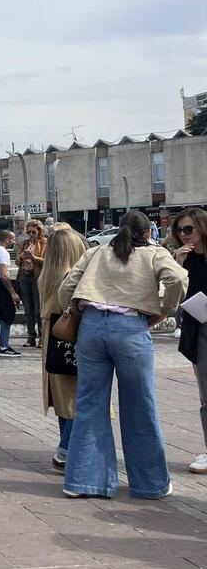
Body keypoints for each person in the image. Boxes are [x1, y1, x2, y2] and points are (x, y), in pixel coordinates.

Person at [59, 211, 187, 499]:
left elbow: (67, 286)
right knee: (139, 405)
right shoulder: (154, 254)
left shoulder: (96, 251)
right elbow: (178, 278)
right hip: (130, 328)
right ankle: (150, 484)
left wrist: (74, 309)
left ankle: (82, 481)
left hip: (91, 327)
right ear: (147, 233)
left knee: (90, 403)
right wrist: (165, 309)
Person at [38, 227, 88, 472]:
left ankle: (65, 446)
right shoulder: (72, 278)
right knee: (77, 399)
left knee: (62, 398)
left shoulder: (47, 277)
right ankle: (66, 450)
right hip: (71, 340)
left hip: (53, 341)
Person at [173, 208, 207, 473]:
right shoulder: (186, 260)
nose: (183, 236)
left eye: (188, 229)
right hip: (200, 330)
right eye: (179, 231)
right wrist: (178, 268)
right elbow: (174, 301)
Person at [17, 219, 47, 348]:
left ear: (39, 232)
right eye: (28, 232)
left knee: (38, 309)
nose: (31, 235)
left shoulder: (46, 243)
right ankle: (31, 337)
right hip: (25, 276)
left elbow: (48, 261)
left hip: (37, 277)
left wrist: (34, 258)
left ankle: (42, 337)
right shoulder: (24, 243)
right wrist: (21, 258)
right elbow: (17, 262)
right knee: (28, 309)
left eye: (33, 232)